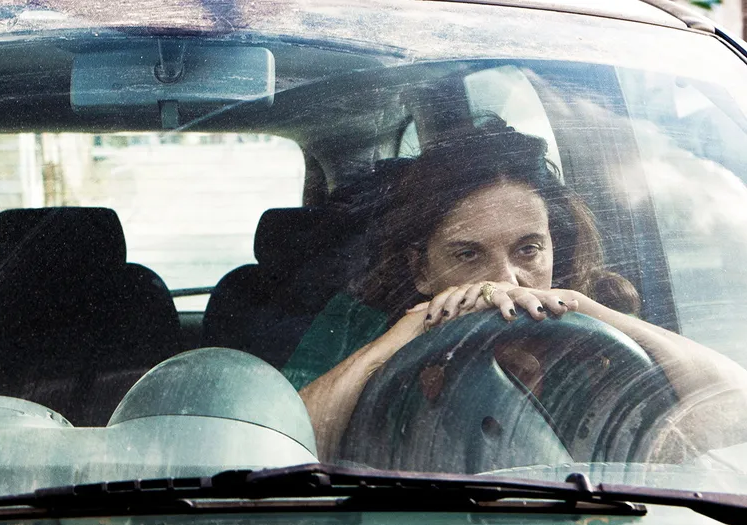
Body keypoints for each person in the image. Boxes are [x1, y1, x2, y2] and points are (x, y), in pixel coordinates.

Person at [290, 125, 747, 462]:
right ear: (421, 268)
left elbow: (737, 411)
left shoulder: (594, 339)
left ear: (554, 248)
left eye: (528, 250)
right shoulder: (356, 326)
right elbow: (279, 454)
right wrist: (407, 334)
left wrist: (582, 309)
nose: (504, 280)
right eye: (468, 254)